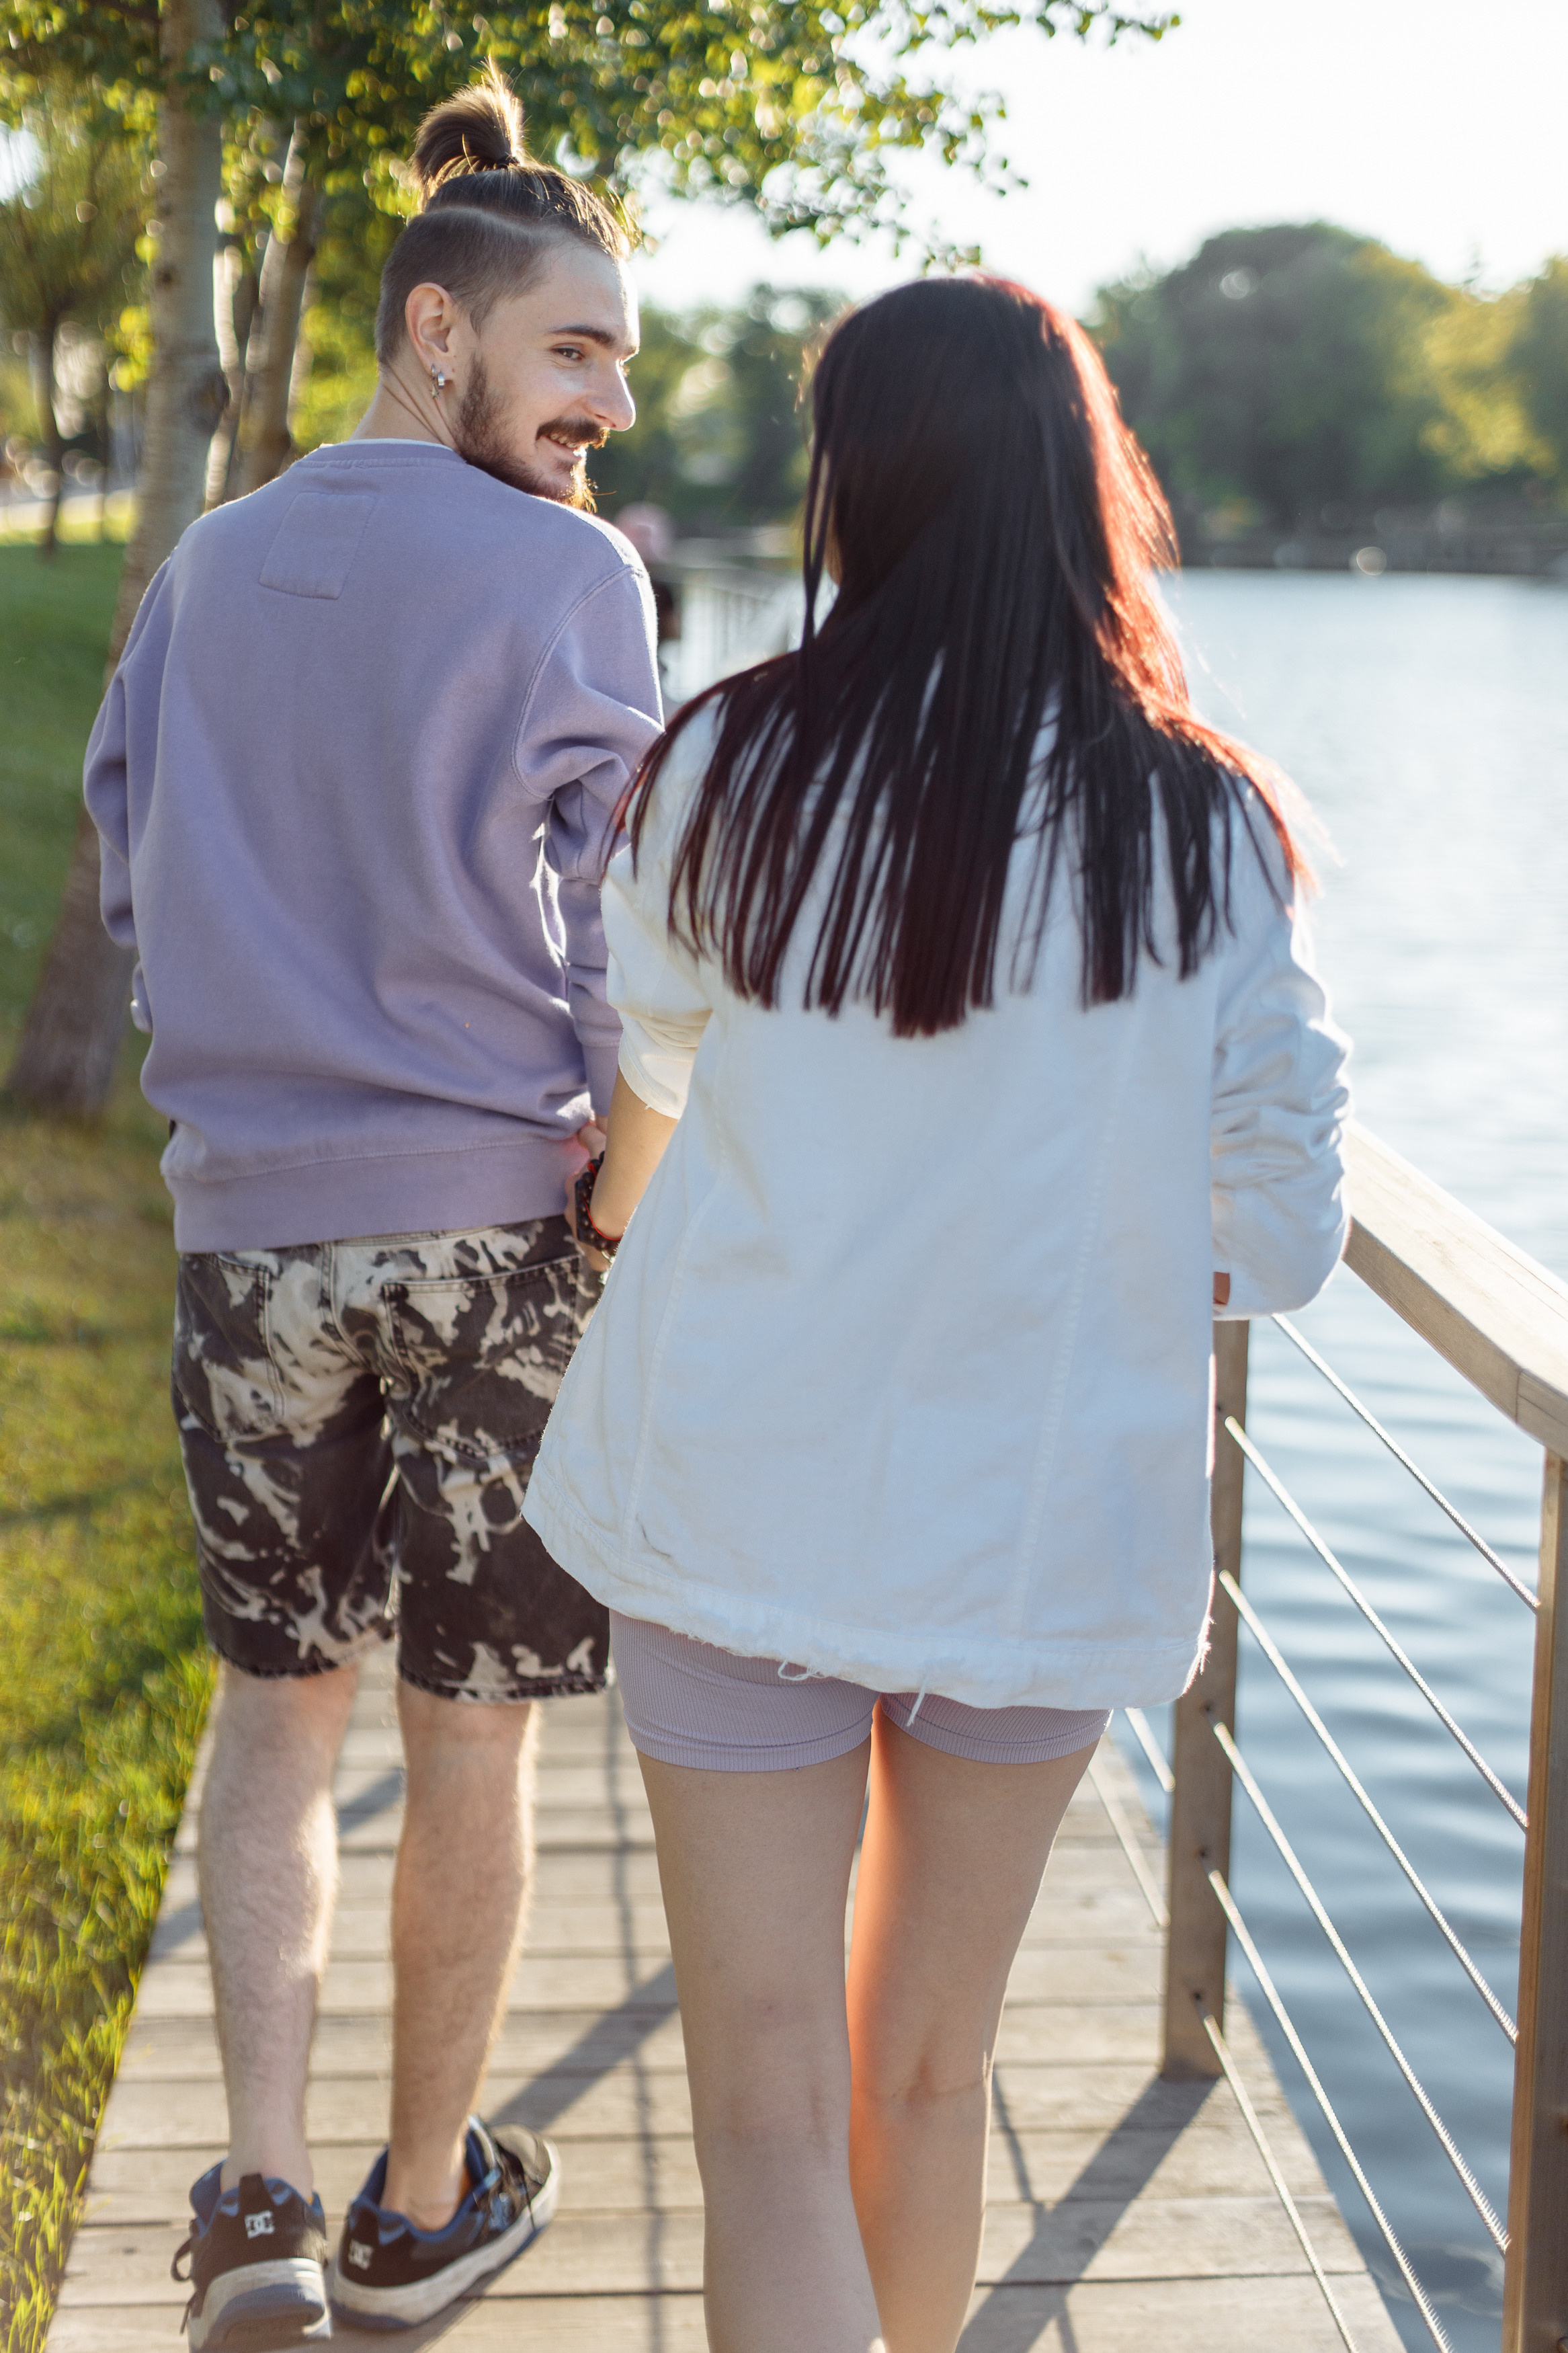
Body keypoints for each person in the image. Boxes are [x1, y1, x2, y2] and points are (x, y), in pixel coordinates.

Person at [522, 275, 1352, 2353]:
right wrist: (1088, 1257)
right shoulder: (1208, 825)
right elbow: (1290, 1223)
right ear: (1084, 491)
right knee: (924, 2072)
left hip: (735, 1502)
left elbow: (668, 1070)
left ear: (856, 483)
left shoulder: (732, 765)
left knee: (774, 2111)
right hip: (1039, 1521)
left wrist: (648, 1207)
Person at [83, 69, 661, 2350]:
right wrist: (612, 1186)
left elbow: (130, 864)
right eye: (580, 352)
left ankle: (260, 2203)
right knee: (477, 1727)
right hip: (499, 1220)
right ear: (440, 331)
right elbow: (635, 923)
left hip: (253, 1232)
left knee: (274, 1717)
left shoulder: (208, 561)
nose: (611, 401)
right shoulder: (570, 576)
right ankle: (427, 2210)